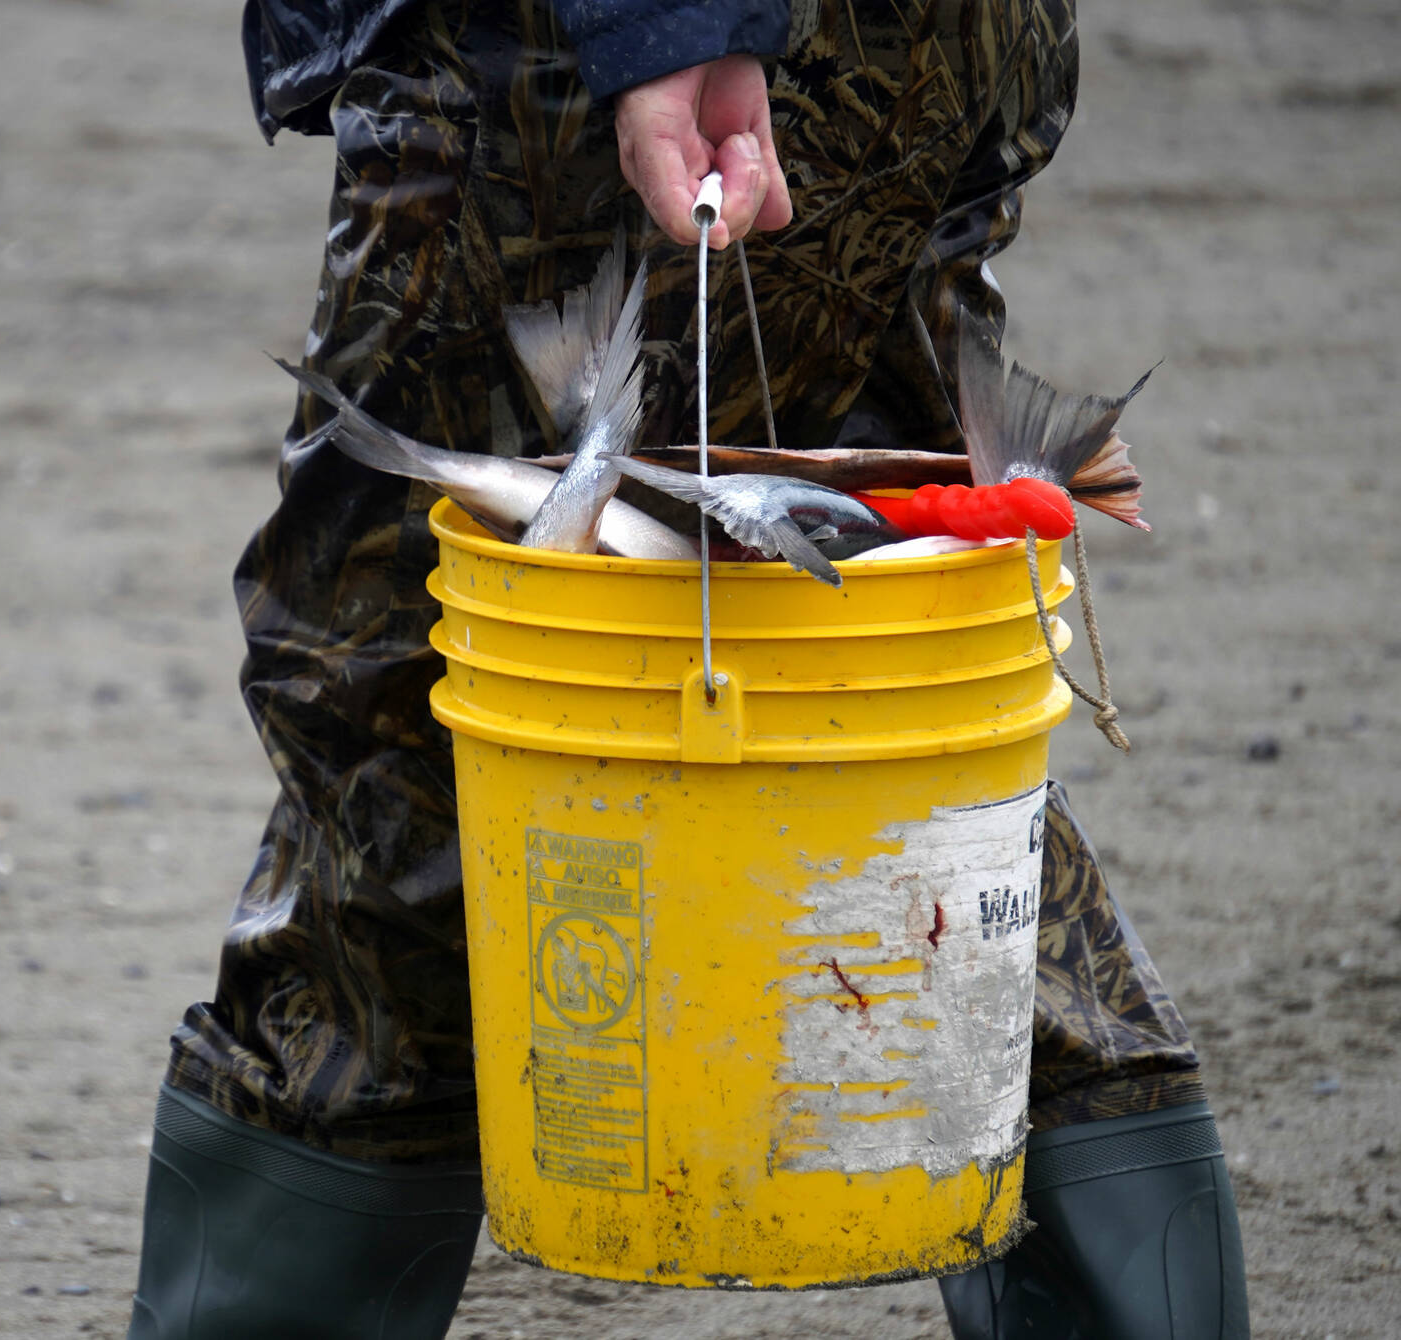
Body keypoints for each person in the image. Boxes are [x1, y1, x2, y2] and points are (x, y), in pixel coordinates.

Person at [125, 1, 1251, 1336]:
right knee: (877, 694)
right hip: (909, 41)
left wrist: (667, 22)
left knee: (413, 735)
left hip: (620, 49)